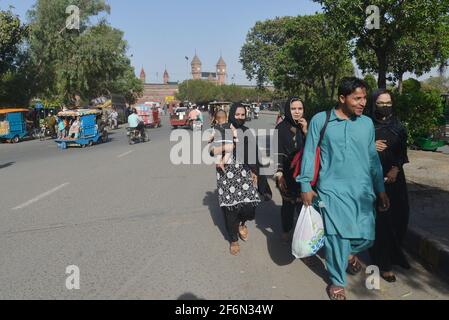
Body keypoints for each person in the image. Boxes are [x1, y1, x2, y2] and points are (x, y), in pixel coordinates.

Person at [297, 77, 390, 300]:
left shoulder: (366, 123)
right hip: (331, 191)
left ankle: (346, 256)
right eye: (357, 98)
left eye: (364, 98)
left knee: (367, 237)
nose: (362, 103)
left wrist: (380, 189)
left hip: (362, 191)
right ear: (342, 98)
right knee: (336, 237)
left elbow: (372, 159)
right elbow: (309, 153)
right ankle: (337, 282)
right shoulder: (322, 120)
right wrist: (305, 184)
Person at [368, 89, 411, 282]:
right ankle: (384, 265)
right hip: (374, 179)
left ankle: (393, 255)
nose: (385, 107)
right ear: (373, 104)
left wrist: (396, 168)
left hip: (396, 179)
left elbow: (402, 153)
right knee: (382, 222)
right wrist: (370, 144)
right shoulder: (366, 125)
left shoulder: (399, 127)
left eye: (388, 103)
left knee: (400, 218)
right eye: (380, 103)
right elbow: (353, 148)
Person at [210, 103, 261, 256]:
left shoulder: (246, 131)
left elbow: (253, 152)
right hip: (226, 173)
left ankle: (242, 223)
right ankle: (233, 240)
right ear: (232, 114)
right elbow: (211, 150)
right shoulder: (222, 128)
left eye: (242, 115)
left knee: (249, 207)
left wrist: (255, 171)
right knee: (230, 210)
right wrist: (226, 148)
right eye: (237, 114)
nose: (239, 117)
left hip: (244, 173)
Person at [274, 98, 308, 243]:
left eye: (300, 109)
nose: (297, 112)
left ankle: (302, 235)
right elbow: (277, 151)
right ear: (288, 110)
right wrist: (279, 173)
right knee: (288, 204)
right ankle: (286, 229)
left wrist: (306, 131)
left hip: (303, 172)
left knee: (303, 205)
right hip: (287, 172)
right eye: (293, 109)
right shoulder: (280, 128)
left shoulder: (305, 126)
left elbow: (313, 148)